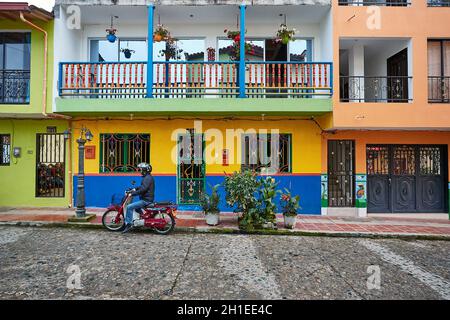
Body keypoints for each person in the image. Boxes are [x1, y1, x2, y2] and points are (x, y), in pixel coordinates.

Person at [122, 163, 155, 234]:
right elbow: (142, 187)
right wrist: (134, 189)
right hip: (146, 199)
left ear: (145, 170)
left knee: (129, 207)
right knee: (137, 208)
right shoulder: (147, 177)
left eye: (141, 169)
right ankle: (141, 220)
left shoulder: (147, 178)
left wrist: (132, 194)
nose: (140, 171)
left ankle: (128, 224)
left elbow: (143, 189)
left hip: (146, 200)